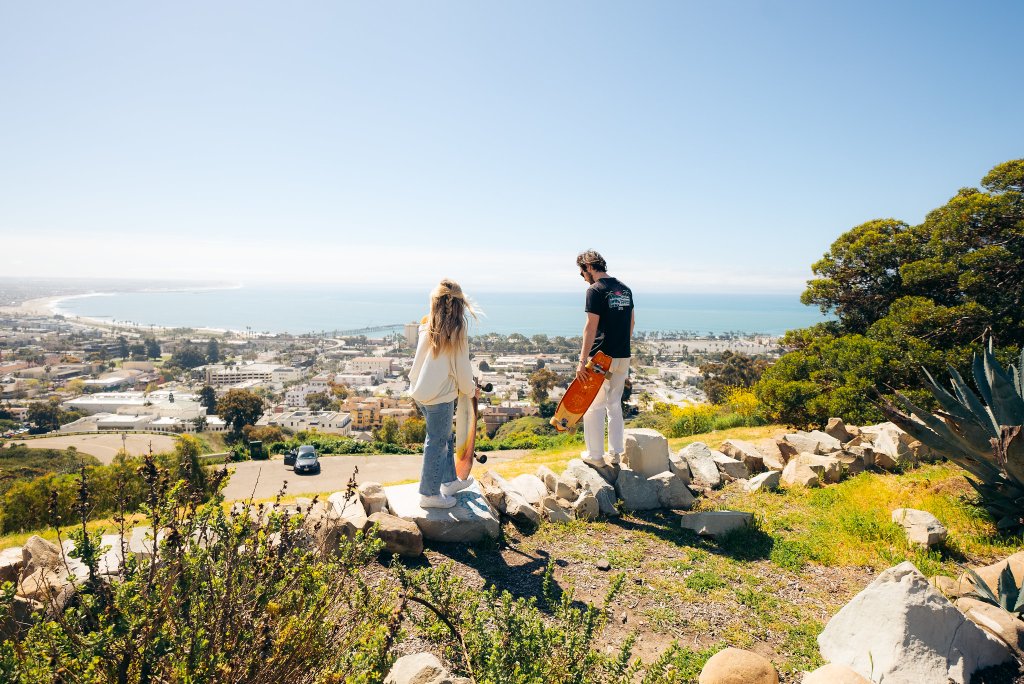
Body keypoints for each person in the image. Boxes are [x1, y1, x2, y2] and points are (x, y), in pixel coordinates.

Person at [408, 279, 479, 508]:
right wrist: (469, 390)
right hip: (440, 397)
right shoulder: (457, 331)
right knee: (437, 441)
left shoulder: (427, 324)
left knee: (444, 436)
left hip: (420, 391)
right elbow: (462, 367)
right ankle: (429, 494)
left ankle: (448, 481)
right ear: (459, 305)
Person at [575, 250, 634, 467]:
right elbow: (632, 324)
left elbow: (590, 327)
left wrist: (582, 361)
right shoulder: (625, 289)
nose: (582, 277)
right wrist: (620, 347)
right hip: (623, 355)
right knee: (614, 404)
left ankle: (596, 456)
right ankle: (616, 455)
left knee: (594, 405)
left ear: (589, 267)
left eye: (582, 272)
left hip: (600, 358)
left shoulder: (595, 290)